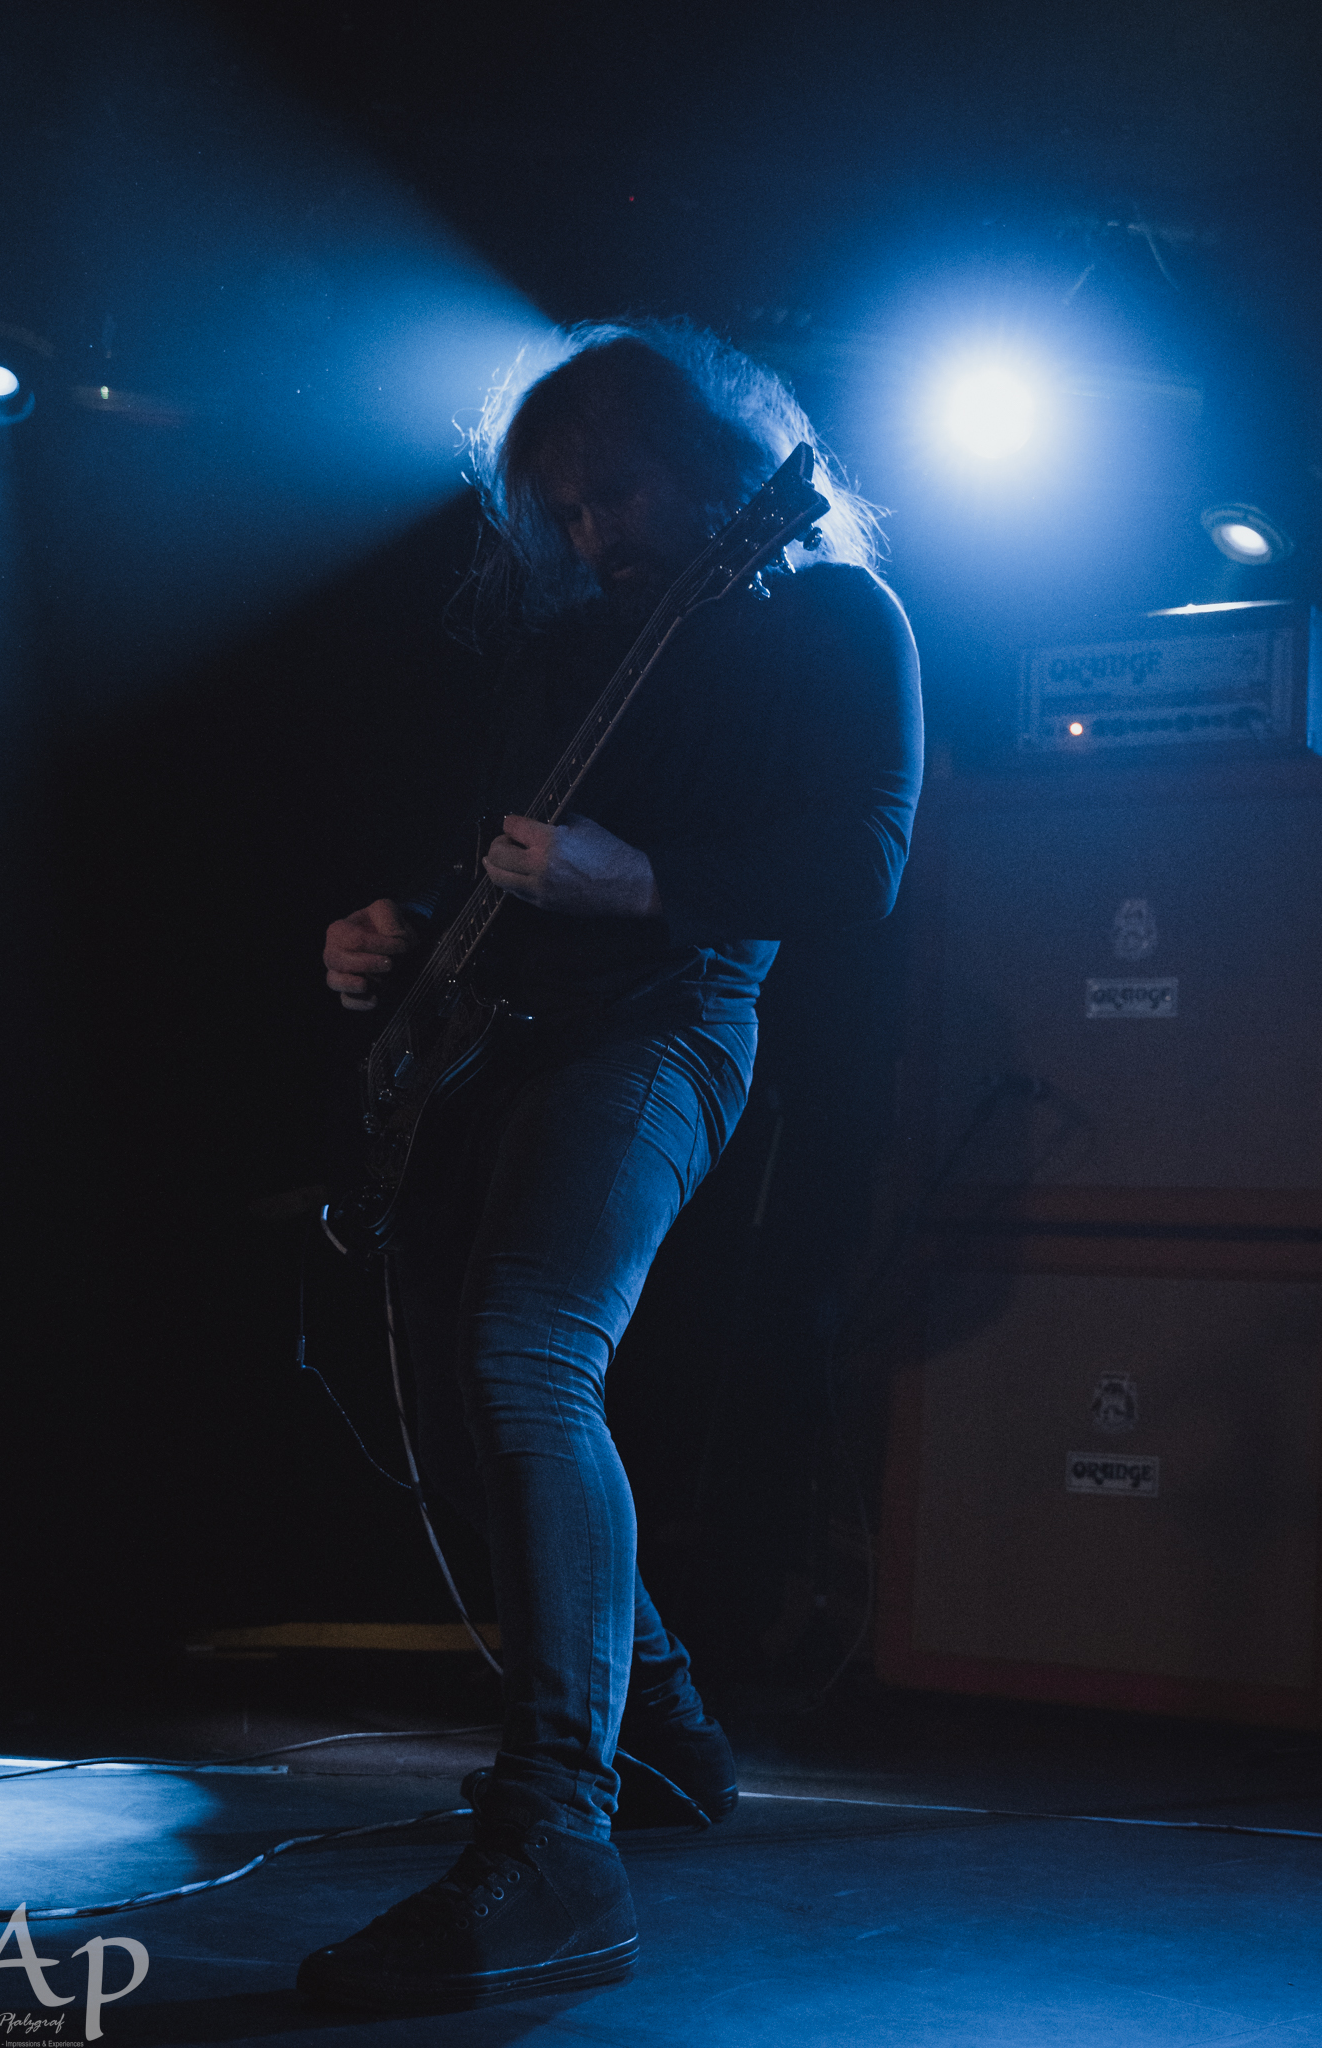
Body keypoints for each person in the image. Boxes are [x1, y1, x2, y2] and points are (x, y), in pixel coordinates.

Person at [299, 324, 923, 2013]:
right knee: (457, 1415)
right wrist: (400, 927)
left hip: (668, 1027)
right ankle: (661, 1730)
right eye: (563, 512)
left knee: (526, 1357)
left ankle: (556, 1832)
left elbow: (861, 858)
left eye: (618, 495)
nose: (592, 535)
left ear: (715, 468)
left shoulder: (832, 614)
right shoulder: (578, 643)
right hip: (498, 1039)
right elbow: (502, 865)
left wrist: (639, 881)